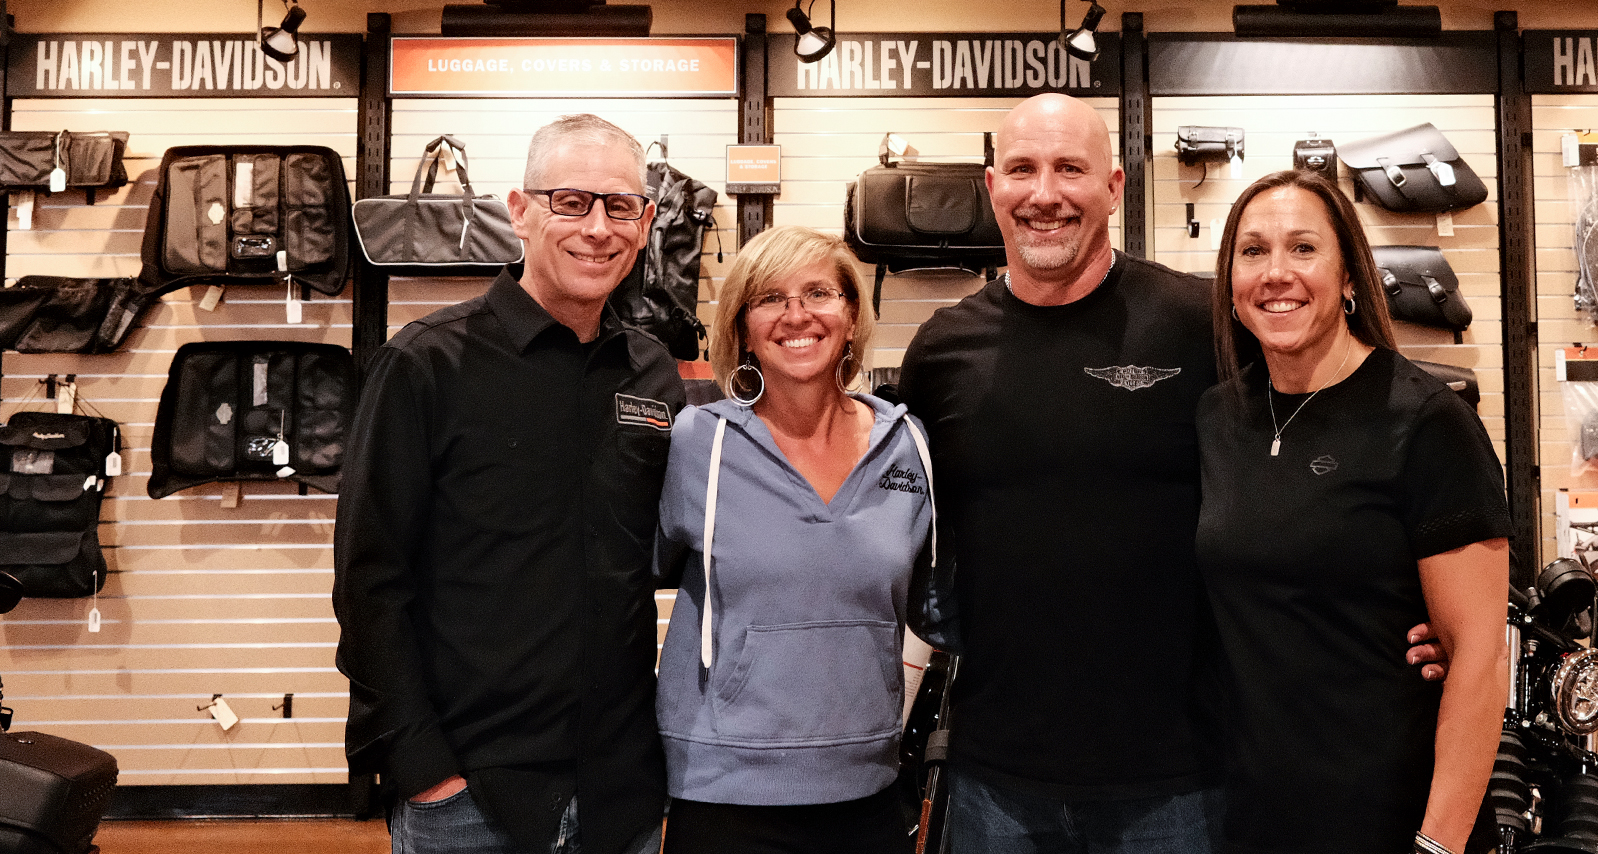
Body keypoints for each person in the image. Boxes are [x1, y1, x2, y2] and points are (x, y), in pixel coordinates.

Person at [898, 94, 1449, 854]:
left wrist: (1413, 611)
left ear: (1116, 187)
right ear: (993, 188)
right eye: (1022, 169)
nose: (1045, 193)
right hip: (997, 774)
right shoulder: (940, 352)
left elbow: (1342, 444)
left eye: (1070, 169)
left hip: (1182, 781)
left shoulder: (1207, 323)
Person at [333, 114, 680, 854]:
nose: (597, 227)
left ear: (646, 223)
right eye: (570, 201)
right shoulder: (427, 364)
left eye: (620, 206)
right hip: (468, 794)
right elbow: (369, 581)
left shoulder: (652, 374)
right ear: (518, 211)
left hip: (621, 789)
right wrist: (422, 765)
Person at [1194, 169, 1509, 854]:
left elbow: (1478, 659)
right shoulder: (1218, 418)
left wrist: (1439, 845)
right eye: (1253, 252)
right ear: (1230, 282)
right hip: (1250, 817)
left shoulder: (1426, 420)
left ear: (1350, 278)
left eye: (1303, 248)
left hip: (1392, 819)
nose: (1276, 272)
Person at [651, 225, 933, 854]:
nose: (797, 315)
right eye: (770, 299)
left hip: (867, 784)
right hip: (725, 790)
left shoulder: (908, 446)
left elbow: (930, 600)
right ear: (742, 328)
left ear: (852, 315)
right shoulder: (698, 443)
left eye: (818, 294)